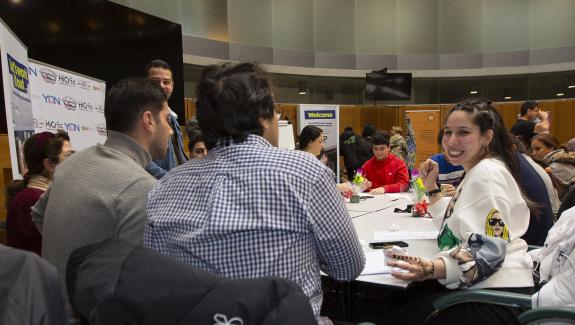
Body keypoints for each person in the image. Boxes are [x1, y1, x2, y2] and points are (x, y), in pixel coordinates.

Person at [143, 62, 365, 323]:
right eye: (275, 113)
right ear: (263, 117)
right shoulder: (306, 172)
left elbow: (158, 283)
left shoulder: (164, 187)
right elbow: (347, 268)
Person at [385, 99, 533, 324]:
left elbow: (490, 249)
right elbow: (457, 225)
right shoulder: (479, 170)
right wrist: (432, 188)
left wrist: (431, 268)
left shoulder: (486, 175)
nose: (452, 141)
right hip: (489, 284)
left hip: (496, 295)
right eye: (448, 132)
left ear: (487, 137)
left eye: (463, 132)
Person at [31, 77, 171, 304]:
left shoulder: (71, 164)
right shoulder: (142, 188)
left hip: (49, 305)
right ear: (149, 120)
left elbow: (37, 214)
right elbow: (136, 282)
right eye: (166, 119)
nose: (171, 130)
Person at [6, 131, 72, 255]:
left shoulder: (33, 195)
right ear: (49, 165)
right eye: (68, 156)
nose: (74, 161)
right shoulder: (35, 199)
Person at [144, 59, 188, 178]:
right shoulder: (139, 117)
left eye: (166, 82)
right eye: (155, 82)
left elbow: (179, 156)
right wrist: (171, 179)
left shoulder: (173, 118)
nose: (161, 86)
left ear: (172, 86)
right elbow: (141, 159)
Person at [531, 133, 575, 199]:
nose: (533, 153)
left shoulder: (557, 166)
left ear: (551, 148)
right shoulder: (556, 162)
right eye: (532, 150)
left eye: (538, 149)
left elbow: (556, 196)